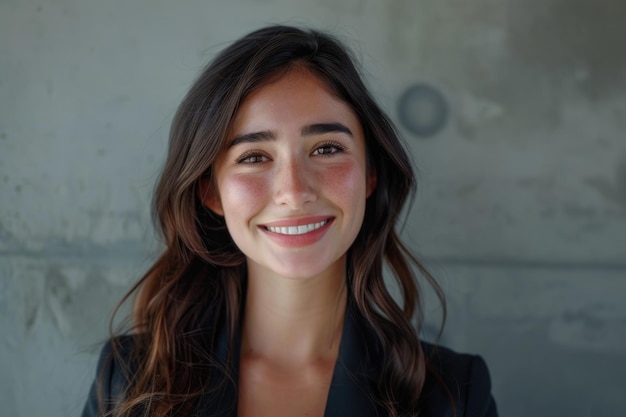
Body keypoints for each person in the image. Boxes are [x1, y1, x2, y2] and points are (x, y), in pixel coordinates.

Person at [81, 25, 498, 417]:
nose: (295, 192)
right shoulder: (129, 380)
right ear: (211, 192)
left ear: (371, 173)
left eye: (326, 149)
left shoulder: (454, 395)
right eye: (254, 157)